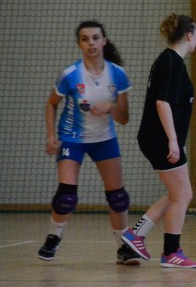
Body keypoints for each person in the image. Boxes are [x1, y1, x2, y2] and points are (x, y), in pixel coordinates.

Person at [38, 21, 135, 264]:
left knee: (118, 197)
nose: (91, 43)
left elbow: (124, 119)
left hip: (104, 139)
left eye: (95, 38)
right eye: (85, 39)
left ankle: (123, 247)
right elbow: (52, 103)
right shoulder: (70, 75)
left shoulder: (118, 74)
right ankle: (54, 237)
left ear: (104, 41)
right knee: (66, 197)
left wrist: (110, 106)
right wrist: (51, 136)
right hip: (72, 138)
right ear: (79, 44)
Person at [120, 14, 196, 269]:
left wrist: (178, 141)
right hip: (160, 139)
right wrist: (173, 140)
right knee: (183, 194)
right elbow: (162, 102)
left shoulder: (169, 61)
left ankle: (135, 236)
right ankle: (171, 252)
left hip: (159, 138)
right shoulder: (172, 62)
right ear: (189, 35)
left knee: (178, 193)